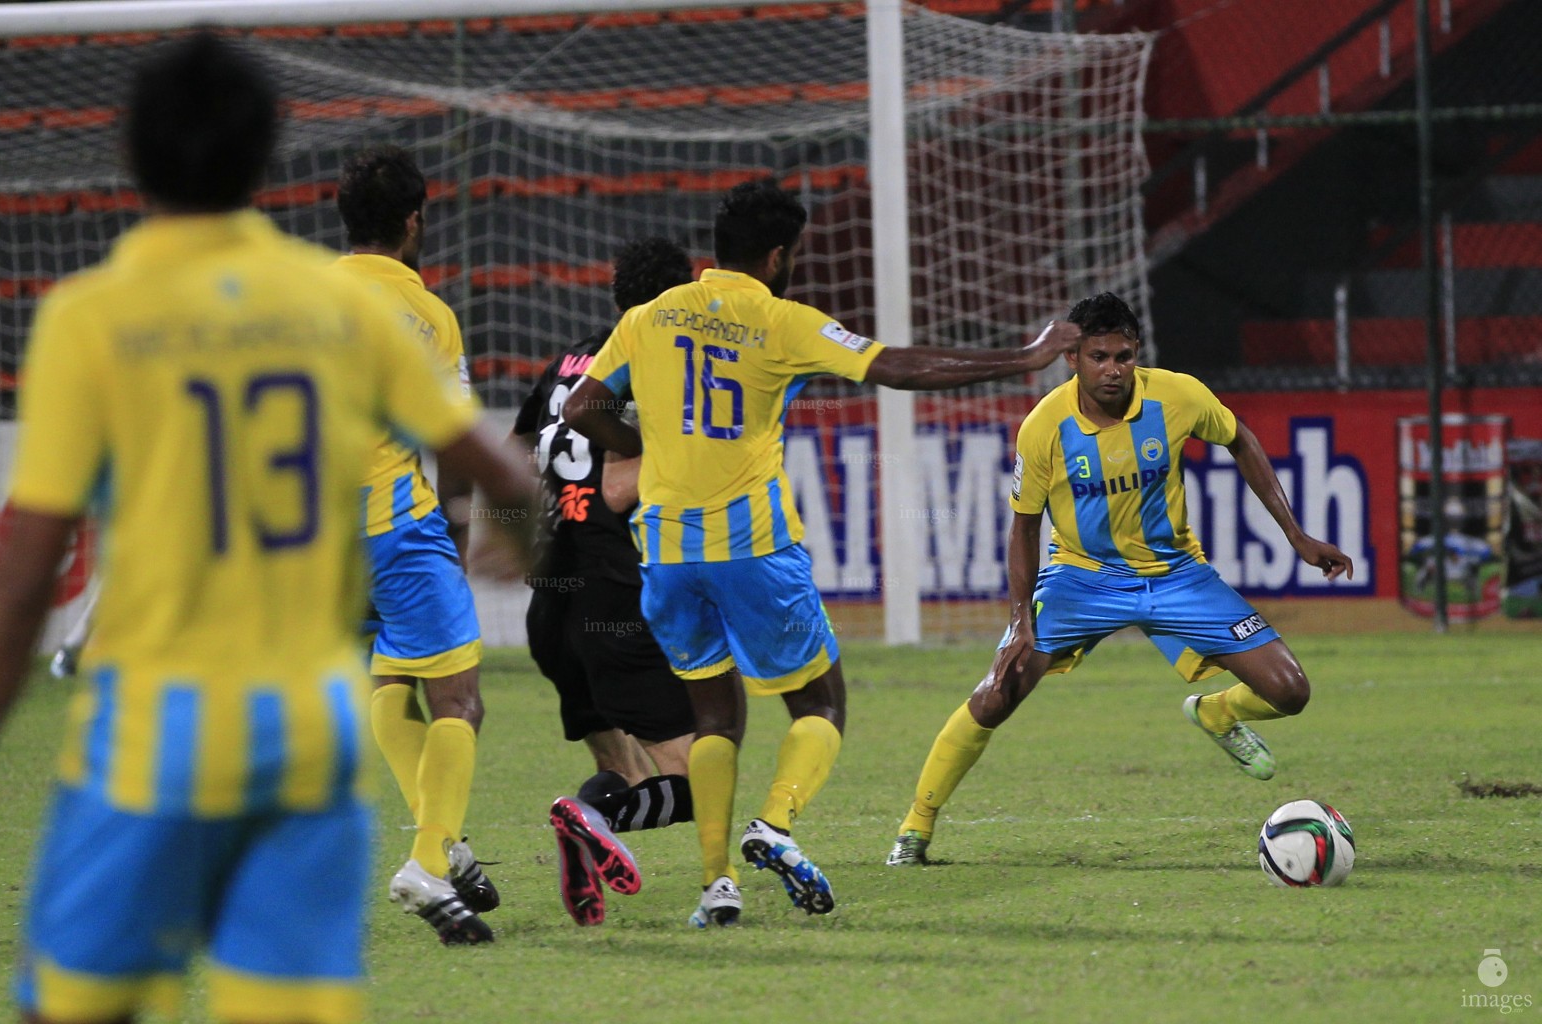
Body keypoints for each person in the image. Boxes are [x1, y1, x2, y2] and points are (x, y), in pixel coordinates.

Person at [0, 33, 536, 1024]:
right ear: (261, 155)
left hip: (153, 731)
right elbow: (502, 474)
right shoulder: (339, 309)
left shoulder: (91, 316)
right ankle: (432, 849)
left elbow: (26, 576)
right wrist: (520, 547)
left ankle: (434, 846)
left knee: (73, 1006)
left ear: (132, 156)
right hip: (301, 738)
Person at [564, 178, 1079, 927]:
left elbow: (583, 407)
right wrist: (1025, 358)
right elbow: (897, 366)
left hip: (666, 552)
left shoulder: (647, 316)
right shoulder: (777, 319)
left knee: (713, 718)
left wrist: (644, 444)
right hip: (749, 545)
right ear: (776, 256)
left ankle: (715, 885)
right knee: (819, 701)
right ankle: (772, 826)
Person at [885, 292, 1354, 868]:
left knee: (1290, 691)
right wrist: (1019, 622)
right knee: (996, 694)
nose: (1113, 369)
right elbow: (1023, 528)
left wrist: (1297, 536)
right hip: (1081, 579)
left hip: (1178, 575)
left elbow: (1241, 439)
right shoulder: (1044, 428)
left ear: (1138, 353)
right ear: (1073, 359)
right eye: (1099, 356)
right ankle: (916, 827)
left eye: (1124, 356)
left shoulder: (1178, 395)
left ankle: (1217, 712)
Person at [331, 144, 500, 944]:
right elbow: (455, 438)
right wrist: (458, 542)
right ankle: (428, 865)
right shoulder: (426, 313)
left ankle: (448, 842)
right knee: (459, 695)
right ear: (412, 221)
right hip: (395, 523)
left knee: (391, 681)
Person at [513, 237, 699, 926]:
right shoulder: (656, 364)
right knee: (698, 781)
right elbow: (620, 485)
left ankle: (584, 842)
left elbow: (515, 458)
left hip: (550, 602)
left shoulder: (570, 361)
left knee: (622, 766)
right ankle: (592, 818)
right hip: (611, 597)